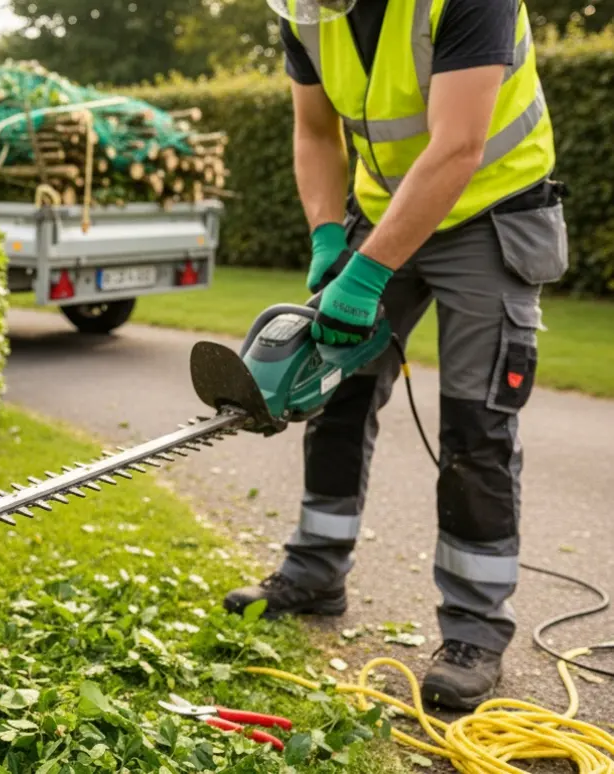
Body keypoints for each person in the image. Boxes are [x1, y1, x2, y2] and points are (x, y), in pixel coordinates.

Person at [223, 0, 568, 711]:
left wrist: (369, 273)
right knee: (334, 388)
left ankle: (474, 629)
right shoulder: (305, 11)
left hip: (491, 209)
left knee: (478, 422)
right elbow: (315, 131)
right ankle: (315, 571)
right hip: (381, 209)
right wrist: (328, 237)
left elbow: (458, 143)